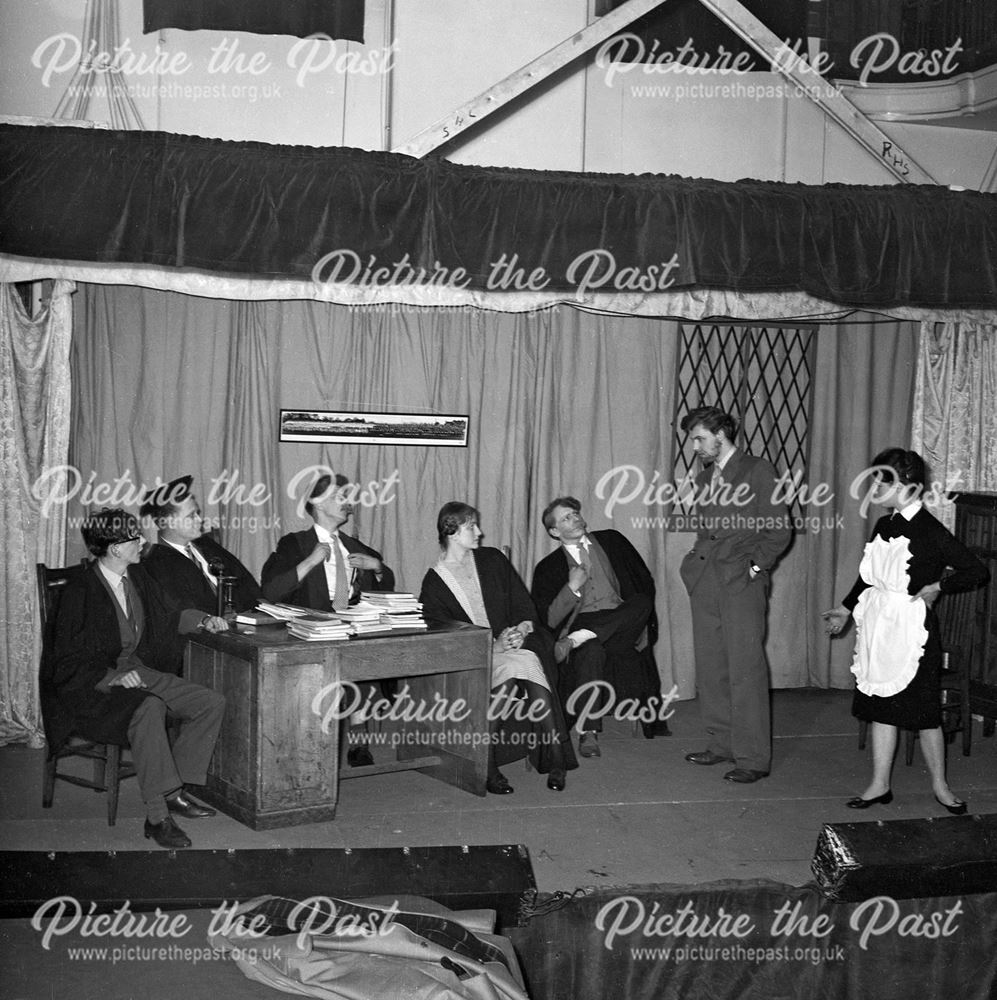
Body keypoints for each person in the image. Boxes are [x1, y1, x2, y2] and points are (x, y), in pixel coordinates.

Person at [43, 509, 229, 849]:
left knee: (209, 703)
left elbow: (170, 613)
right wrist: (113, 677)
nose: (142, 541)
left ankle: (173, 790)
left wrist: (204, 621)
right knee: (149, 709)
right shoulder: (80, 591)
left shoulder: (138, 577)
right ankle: (158, 817)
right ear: (115, 548)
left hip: (137, 671)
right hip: (92, 687)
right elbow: (66, 660)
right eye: (134, 537)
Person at [822, 448, 987, 814]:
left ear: (909, 486)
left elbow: (975, 570)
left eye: (882, 482)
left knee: (925, 714)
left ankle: (942, 787)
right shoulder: (885, 525)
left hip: (912, 631)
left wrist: (938, 587)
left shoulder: (930, 530)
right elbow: (866, 579)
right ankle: (879, 785)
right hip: (880, 626)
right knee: (882, 708)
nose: (874, 489)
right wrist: (845, 609)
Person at [419, 502, 577, 793]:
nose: (480, 532)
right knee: (516, 671)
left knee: (526, 660)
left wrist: (520, 629)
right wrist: (492, 645)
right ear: (452, 532)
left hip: (513, 648)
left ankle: (509, 762)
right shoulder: (434, 583)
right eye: (471, 527)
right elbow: (442, 634)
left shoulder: (491, 559)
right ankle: (546, 758)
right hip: (473, 661)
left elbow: (522, 604)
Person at [678, 405, 791, 783]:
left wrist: (755, 568)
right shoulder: (706, 476)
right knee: (712, 667)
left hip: (741, 581)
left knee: (745, 668)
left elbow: (779, 531)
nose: (695, 446)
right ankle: (720, 743)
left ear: (720, 434)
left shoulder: (757, 470)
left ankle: (753, 757)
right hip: (707, 580)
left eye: (699, 438)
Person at [261, 472, 396, 765]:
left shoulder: (356, 547)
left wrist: (377, 567)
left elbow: (386, 591)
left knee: (363, 658)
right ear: (317, 503)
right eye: (338, 496)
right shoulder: (294, 544)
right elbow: (271, 590)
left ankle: (359, 743)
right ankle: (320, 743)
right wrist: (310, 561)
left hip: (353, 629)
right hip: (311, 635)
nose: (346, 502)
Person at [531, 496, 668, 759]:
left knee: (641, 602)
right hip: (581, 623)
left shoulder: (611, 541)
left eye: (575, 513)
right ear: (554, 531)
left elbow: (643, 581)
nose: (576, 519)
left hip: (622, 622)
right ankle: (588, 732)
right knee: (591, 652)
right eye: (566, 518)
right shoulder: (547, 568)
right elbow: (547, 619)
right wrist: (571, 588)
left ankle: (579, 638)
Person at [139, 474, 262, 636]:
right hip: (201, 641)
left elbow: (246, 583)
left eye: (197, 513)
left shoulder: (208, 546)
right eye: (191, 516)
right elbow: (176, 611)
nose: (199, 520)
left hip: (242, 630)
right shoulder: (155, 563)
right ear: (168, 521)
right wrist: (205, 620)